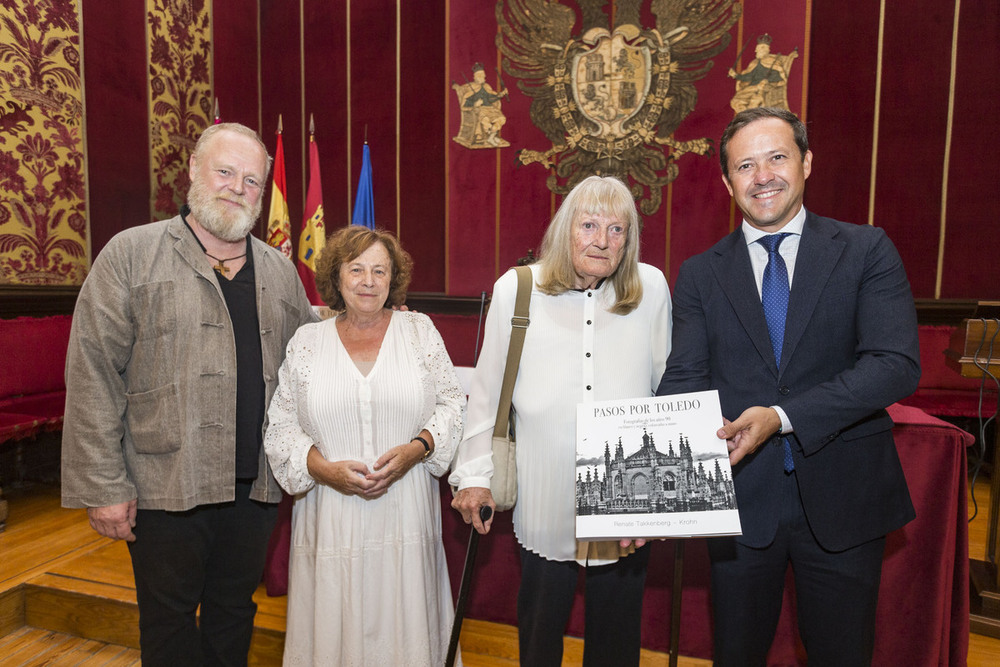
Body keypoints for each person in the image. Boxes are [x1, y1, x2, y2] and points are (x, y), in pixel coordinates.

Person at [656, 107, 920, 664]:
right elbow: (683, 380)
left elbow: (894, 364)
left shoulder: (866, 250)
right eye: (745, 165)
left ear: (806, 162)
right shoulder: (701, 273)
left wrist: (782, 415)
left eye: (776, 157)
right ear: (728, 182)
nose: (763, 176)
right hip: (740, 504)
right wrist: (654, 496)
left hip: (845, 498)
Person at [61, 122, 317, 666]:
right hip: (162, 483)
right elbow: (93, 375)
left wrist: (375, 324)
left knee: (233, 612)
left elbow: (312, 352)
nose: (236, 187)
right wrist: (104, 484)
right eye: (225, 171)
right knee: (168, 621)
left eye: (251, 180)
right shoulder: (130, 254)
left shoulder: (279, 270)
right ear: (194, 172)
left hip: (253, 486)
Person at [450, 175, 672, 667]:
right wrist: (475, 477)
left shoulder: (651, 288)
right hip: (545, 491)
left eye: (617, 230)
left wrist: (666, 496)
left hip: (625, 495)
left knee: (617, 638)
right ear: (565, 229)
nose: (602, 240)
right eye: (589, 225)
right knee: (540, 630)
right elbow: (488, 394)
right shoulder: (518, 288)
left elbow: (665, 386)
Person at [263, 225, 465, 666]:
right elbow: (279, 427)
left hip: (406, 508)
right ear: (336, 277)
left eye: (380, 270)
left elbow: (452, 405)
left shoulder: (419, 331)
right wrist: (323, 469)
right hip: (330, 512)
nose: (368, 281)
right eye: (356, 269)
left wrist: (418, 448)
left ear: (394, 280)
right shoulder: (307, 342)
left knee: (406, 629)